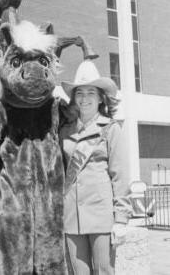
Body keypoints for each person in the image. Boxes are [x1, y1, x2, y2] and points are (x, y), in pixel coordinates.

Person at [59, 60, 132, 275]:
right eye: (79, 93)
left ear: (101, 97)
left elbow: (120, 175)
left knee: (104, 271)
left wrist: (121, 218)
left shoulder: (110, 129)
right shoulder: (64, 131)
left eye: (91, 92)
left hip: (101, 216)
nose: (84, 98)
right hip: (72, 216)